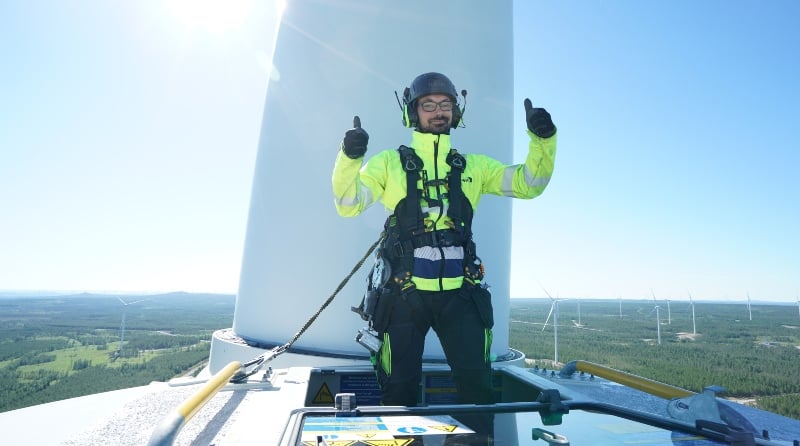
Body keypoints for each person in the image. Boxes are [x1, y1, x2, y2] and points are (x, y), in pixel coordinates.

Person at [332, 72, 557, 413]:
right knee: (398, 392)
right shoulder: (389, 163)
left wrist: (543, 140)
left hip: (461, 293)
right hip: (403, 294)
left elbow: (529, 183)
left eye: (445, 104)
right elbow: (349, 205)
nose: (438, 111)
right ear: (412, 112)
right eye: (428, 105)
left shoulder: (474, 167)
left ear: (456, 112)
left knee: (478, 391)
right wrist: (349, 158)